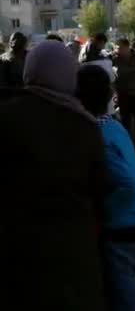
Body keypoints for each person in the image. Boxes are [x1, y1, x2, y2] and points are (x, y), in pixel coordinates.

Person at [0, 41, 106, 310]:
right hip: (73, 252)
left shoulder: (8, 116)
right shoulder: (86, 126)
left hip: (17, 248)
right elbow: (100, 188)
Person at [76, 64, 135, 311]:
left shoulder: (98, 135)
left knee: (122, 299)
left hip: (122, 229)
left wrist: (103, 210)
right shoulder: (113, 126)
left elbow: (127, 183)